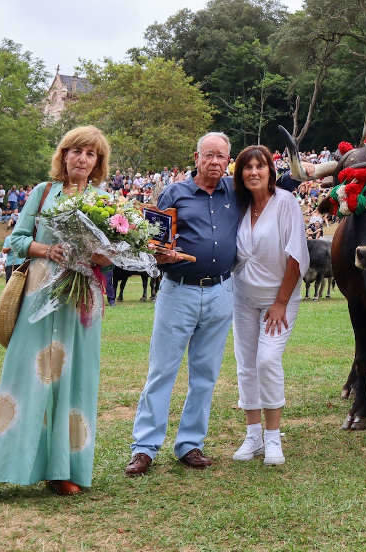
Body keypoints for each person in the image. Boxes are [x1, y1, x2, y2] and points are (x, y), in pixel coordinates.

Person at [0, 126, 113, 504]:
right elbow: (15, 240)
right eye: (76, 150)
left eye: (90, 154)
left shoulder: (105, 201)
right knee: (21, 380)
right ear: (63, 155)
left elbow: (110, 254)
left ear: (98, 162)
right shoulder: (43, 193)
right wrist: (47, 250)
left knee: (74, 382)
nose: (82, 158)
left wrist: (105, 256)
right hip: (38, 295)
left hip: (81, 304)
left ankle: (62, 470)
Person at [126, 132, 241, 476]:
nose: (216, 162)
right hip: (179, 290)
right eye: (209, 155)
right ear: (196, 157)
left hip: (221, 291)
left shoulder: (235, 191)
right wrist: (162, 254)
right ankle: (144, 447)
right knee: (162, 370)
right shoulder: (174, 193)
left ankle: (190, 444)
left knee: (205, 374)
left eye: (222, 156)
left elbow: (273, 180)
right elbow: (151, 243)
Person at [229, 145, 309, 466]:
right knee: (246, 365)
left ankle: (273, 438)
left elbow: (295, 255)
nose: (253, 172)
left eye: (259, 166)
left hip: (279, 299)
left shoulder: (285, 203)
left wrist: (280, 302)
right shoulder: (239, 206)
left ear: (270, 171)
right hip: (243, 297)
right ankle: (253, 435)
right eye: (247, 167)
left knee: (266, 360)